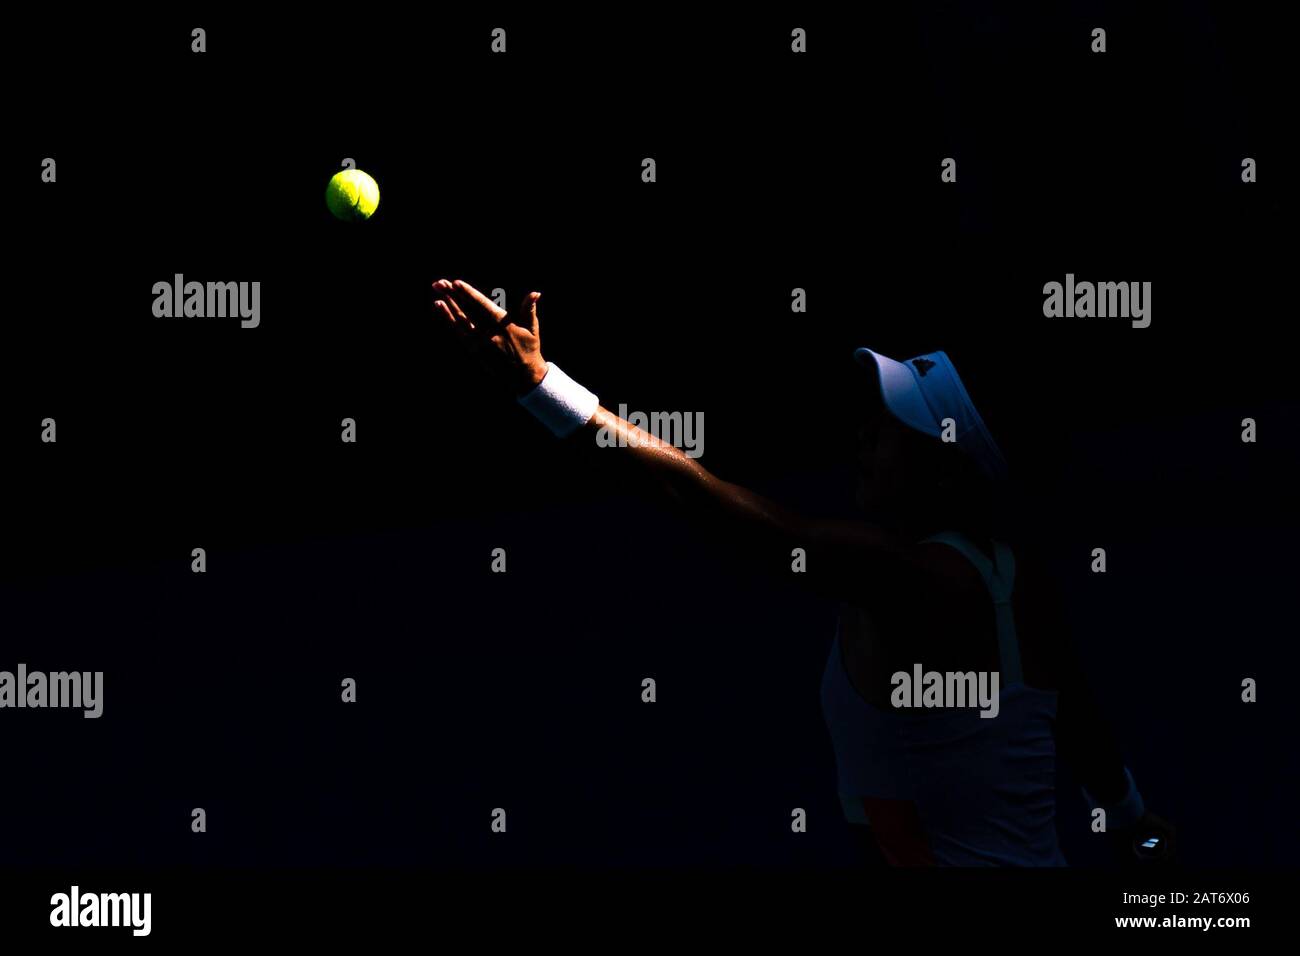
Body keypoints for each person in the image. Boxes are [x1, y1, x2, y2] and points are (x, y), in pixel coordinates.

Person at [431, 277, 1175, 866]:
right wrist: (1136, 825)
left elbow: (708, 503)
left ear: (946, 473)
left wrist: (544, 389)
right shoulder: (1012, 578)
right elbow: (1080, 718)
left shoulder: (920, 580)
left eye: (888, 434)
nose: (862, 441)